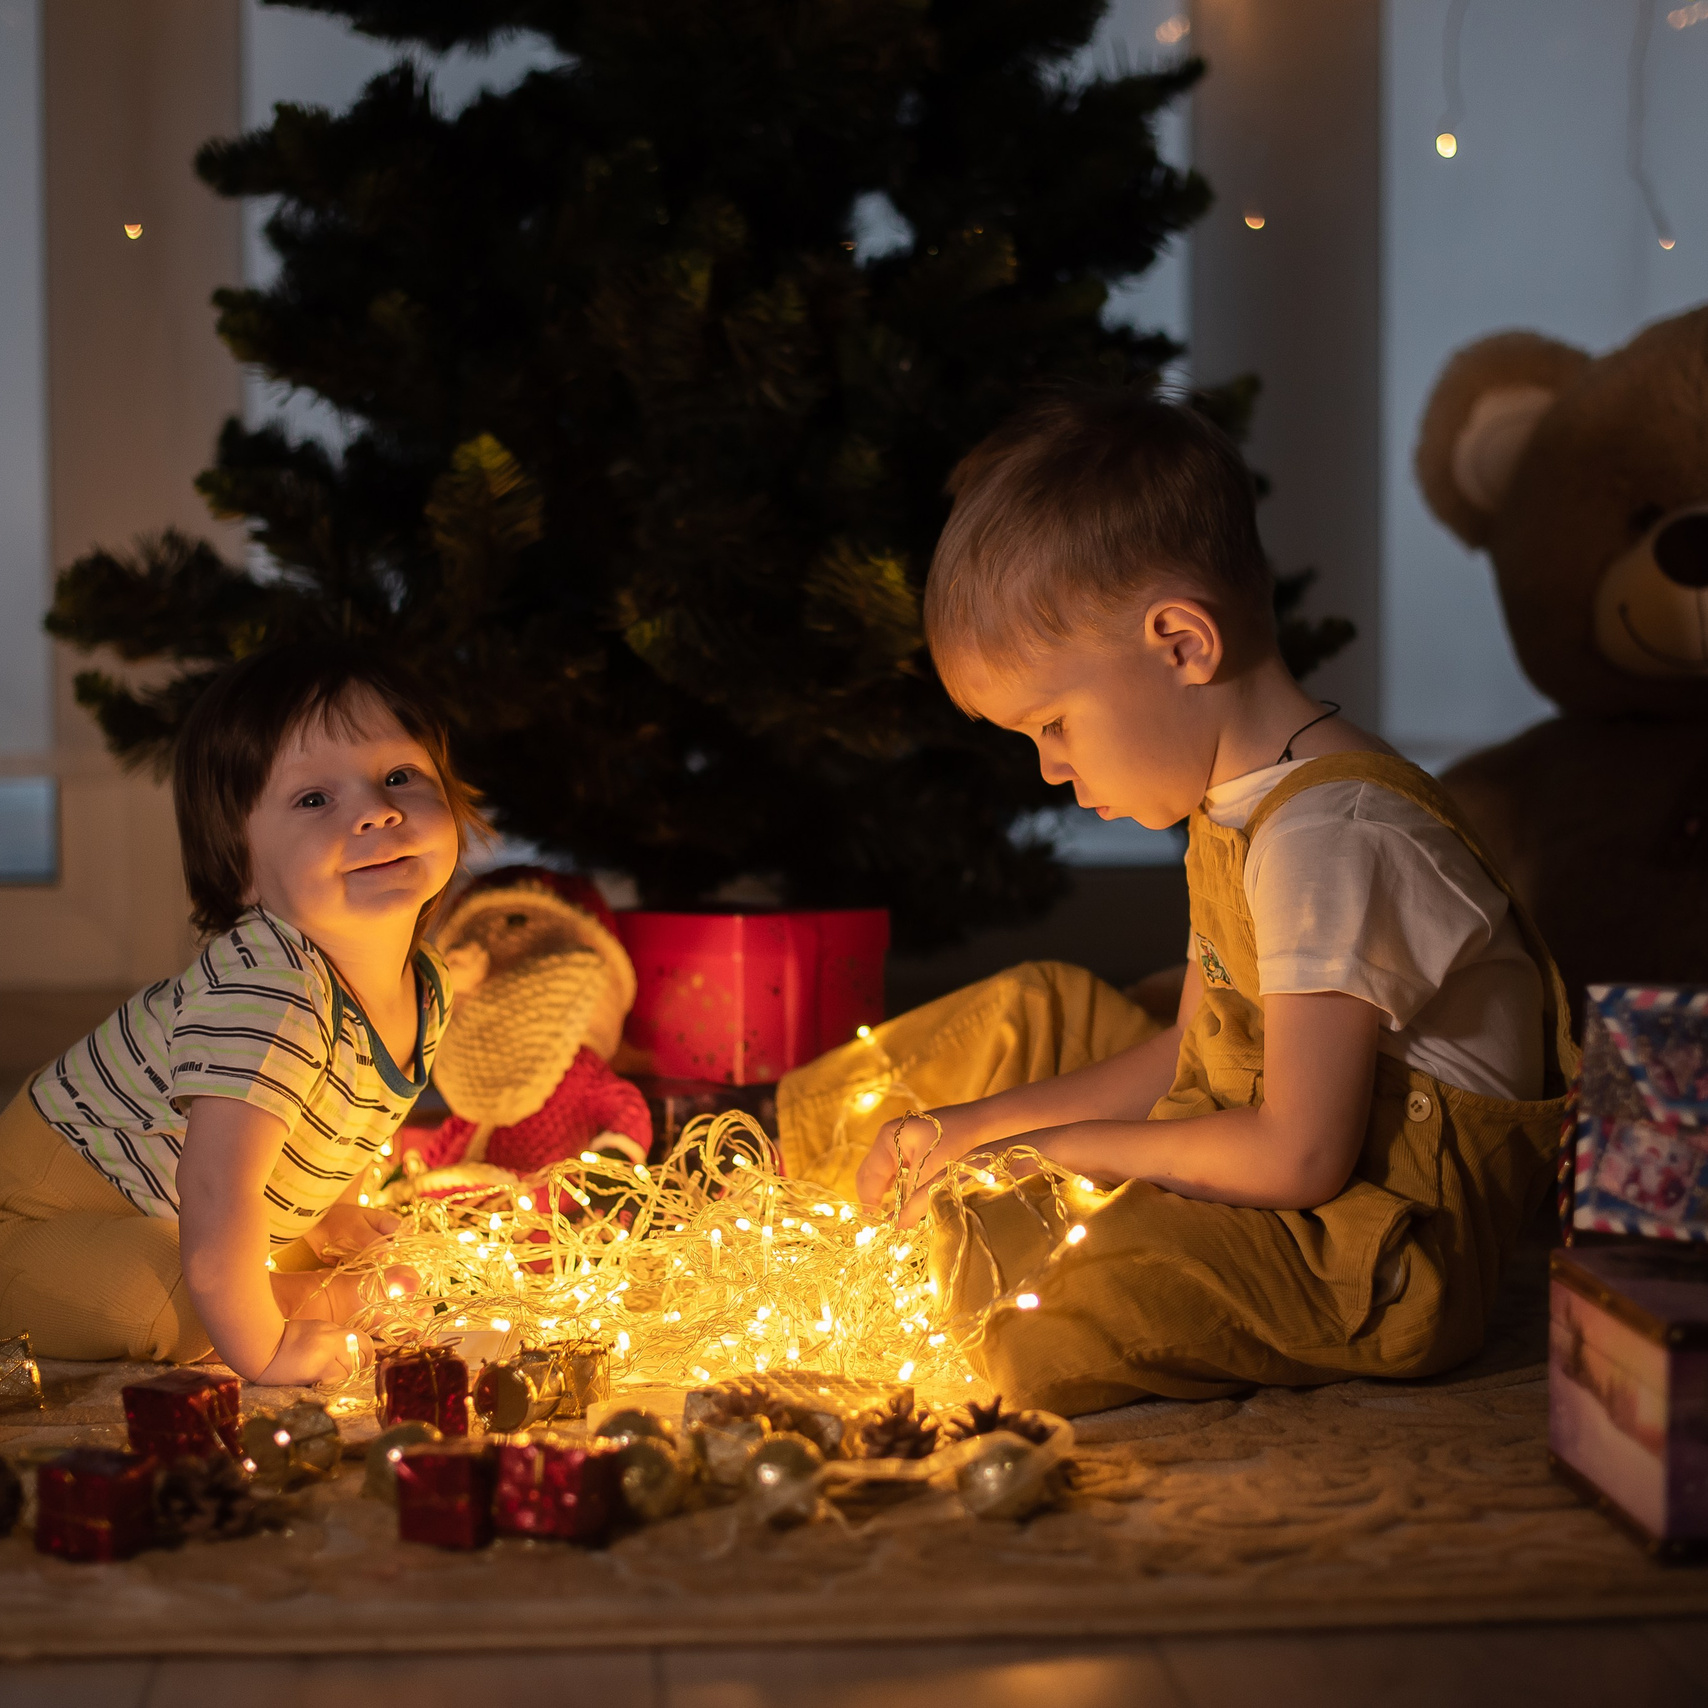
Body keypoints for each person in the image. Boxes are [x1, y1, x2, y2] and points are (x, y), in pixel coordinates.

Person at [778, 388, 1577, 1416]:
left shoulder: (1329, 842)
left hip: (1359, 1252)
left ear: (1181, 644)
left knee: (1044, 1298)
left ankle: (947, 1280)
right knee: (1035, 1011)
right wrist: (970, 1127)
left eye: (1054, 723)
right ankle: (790, 1177)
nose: (1051, 770)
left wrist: (1057, 1154)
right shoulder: (1233, 801)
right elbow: (1192, 1056)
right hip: (1259, 1143)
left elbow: (1297, 1153)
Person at [0, 643, 484, 1384]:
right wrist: (266, 1346)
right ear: (241, 865)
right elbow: (217, 1188)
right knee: (171, 1293)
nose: (378, 812)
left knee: (240, 1246)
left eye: (399, 777)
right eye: (314, 799)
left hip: (165, 1199)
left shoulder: (424, 984)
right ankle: (293, 1301)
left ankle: (279, 1275)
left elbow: (352, 1116)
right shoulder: (269, 993)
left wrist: (331, 1208)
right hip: (35, 1212)